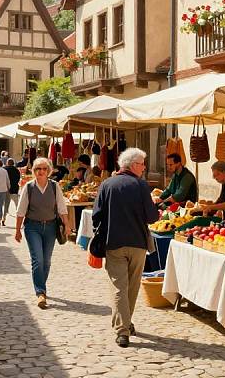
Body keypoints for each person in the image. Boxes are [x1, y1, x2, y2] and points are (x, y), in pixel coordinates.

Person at [92, 148, 159, 348]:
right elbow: (152, 217)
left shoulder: (107, 184)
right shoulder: (141, 185)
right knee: (132, 286)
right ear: (132, 165)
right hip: (138, 243)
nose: (144, 167)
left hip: (114, 242)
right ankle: (125, 325)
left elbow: (96, 215)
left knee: (119, 286)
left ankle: (123, 330)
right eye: (142, 164)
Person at [15, 157, 71, 309]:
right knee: (38, 260)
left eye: (44, 169)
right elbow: (21, 211)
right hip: (32, 227)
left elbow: (61, 207)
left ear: (49, 171)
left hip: (51, 227)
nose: (41, 171)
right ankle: (40, 292)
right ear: (33, 171)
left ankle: (41, 285)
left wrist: (66, 225)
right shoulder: (28, 187)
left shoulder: (54, 187)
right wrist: (17, 230)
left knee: (46, 261)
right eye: (38, 169)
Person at [3, 158, 20, 225]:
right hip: (14, 190)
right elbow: (18, 179)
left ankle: (3, 219)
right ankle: (18, 219)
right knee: (17, 206)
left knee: (6, 206)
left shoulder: (4, 169)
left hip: (6, 190)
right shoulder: (16, 170)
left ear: (7, 163)